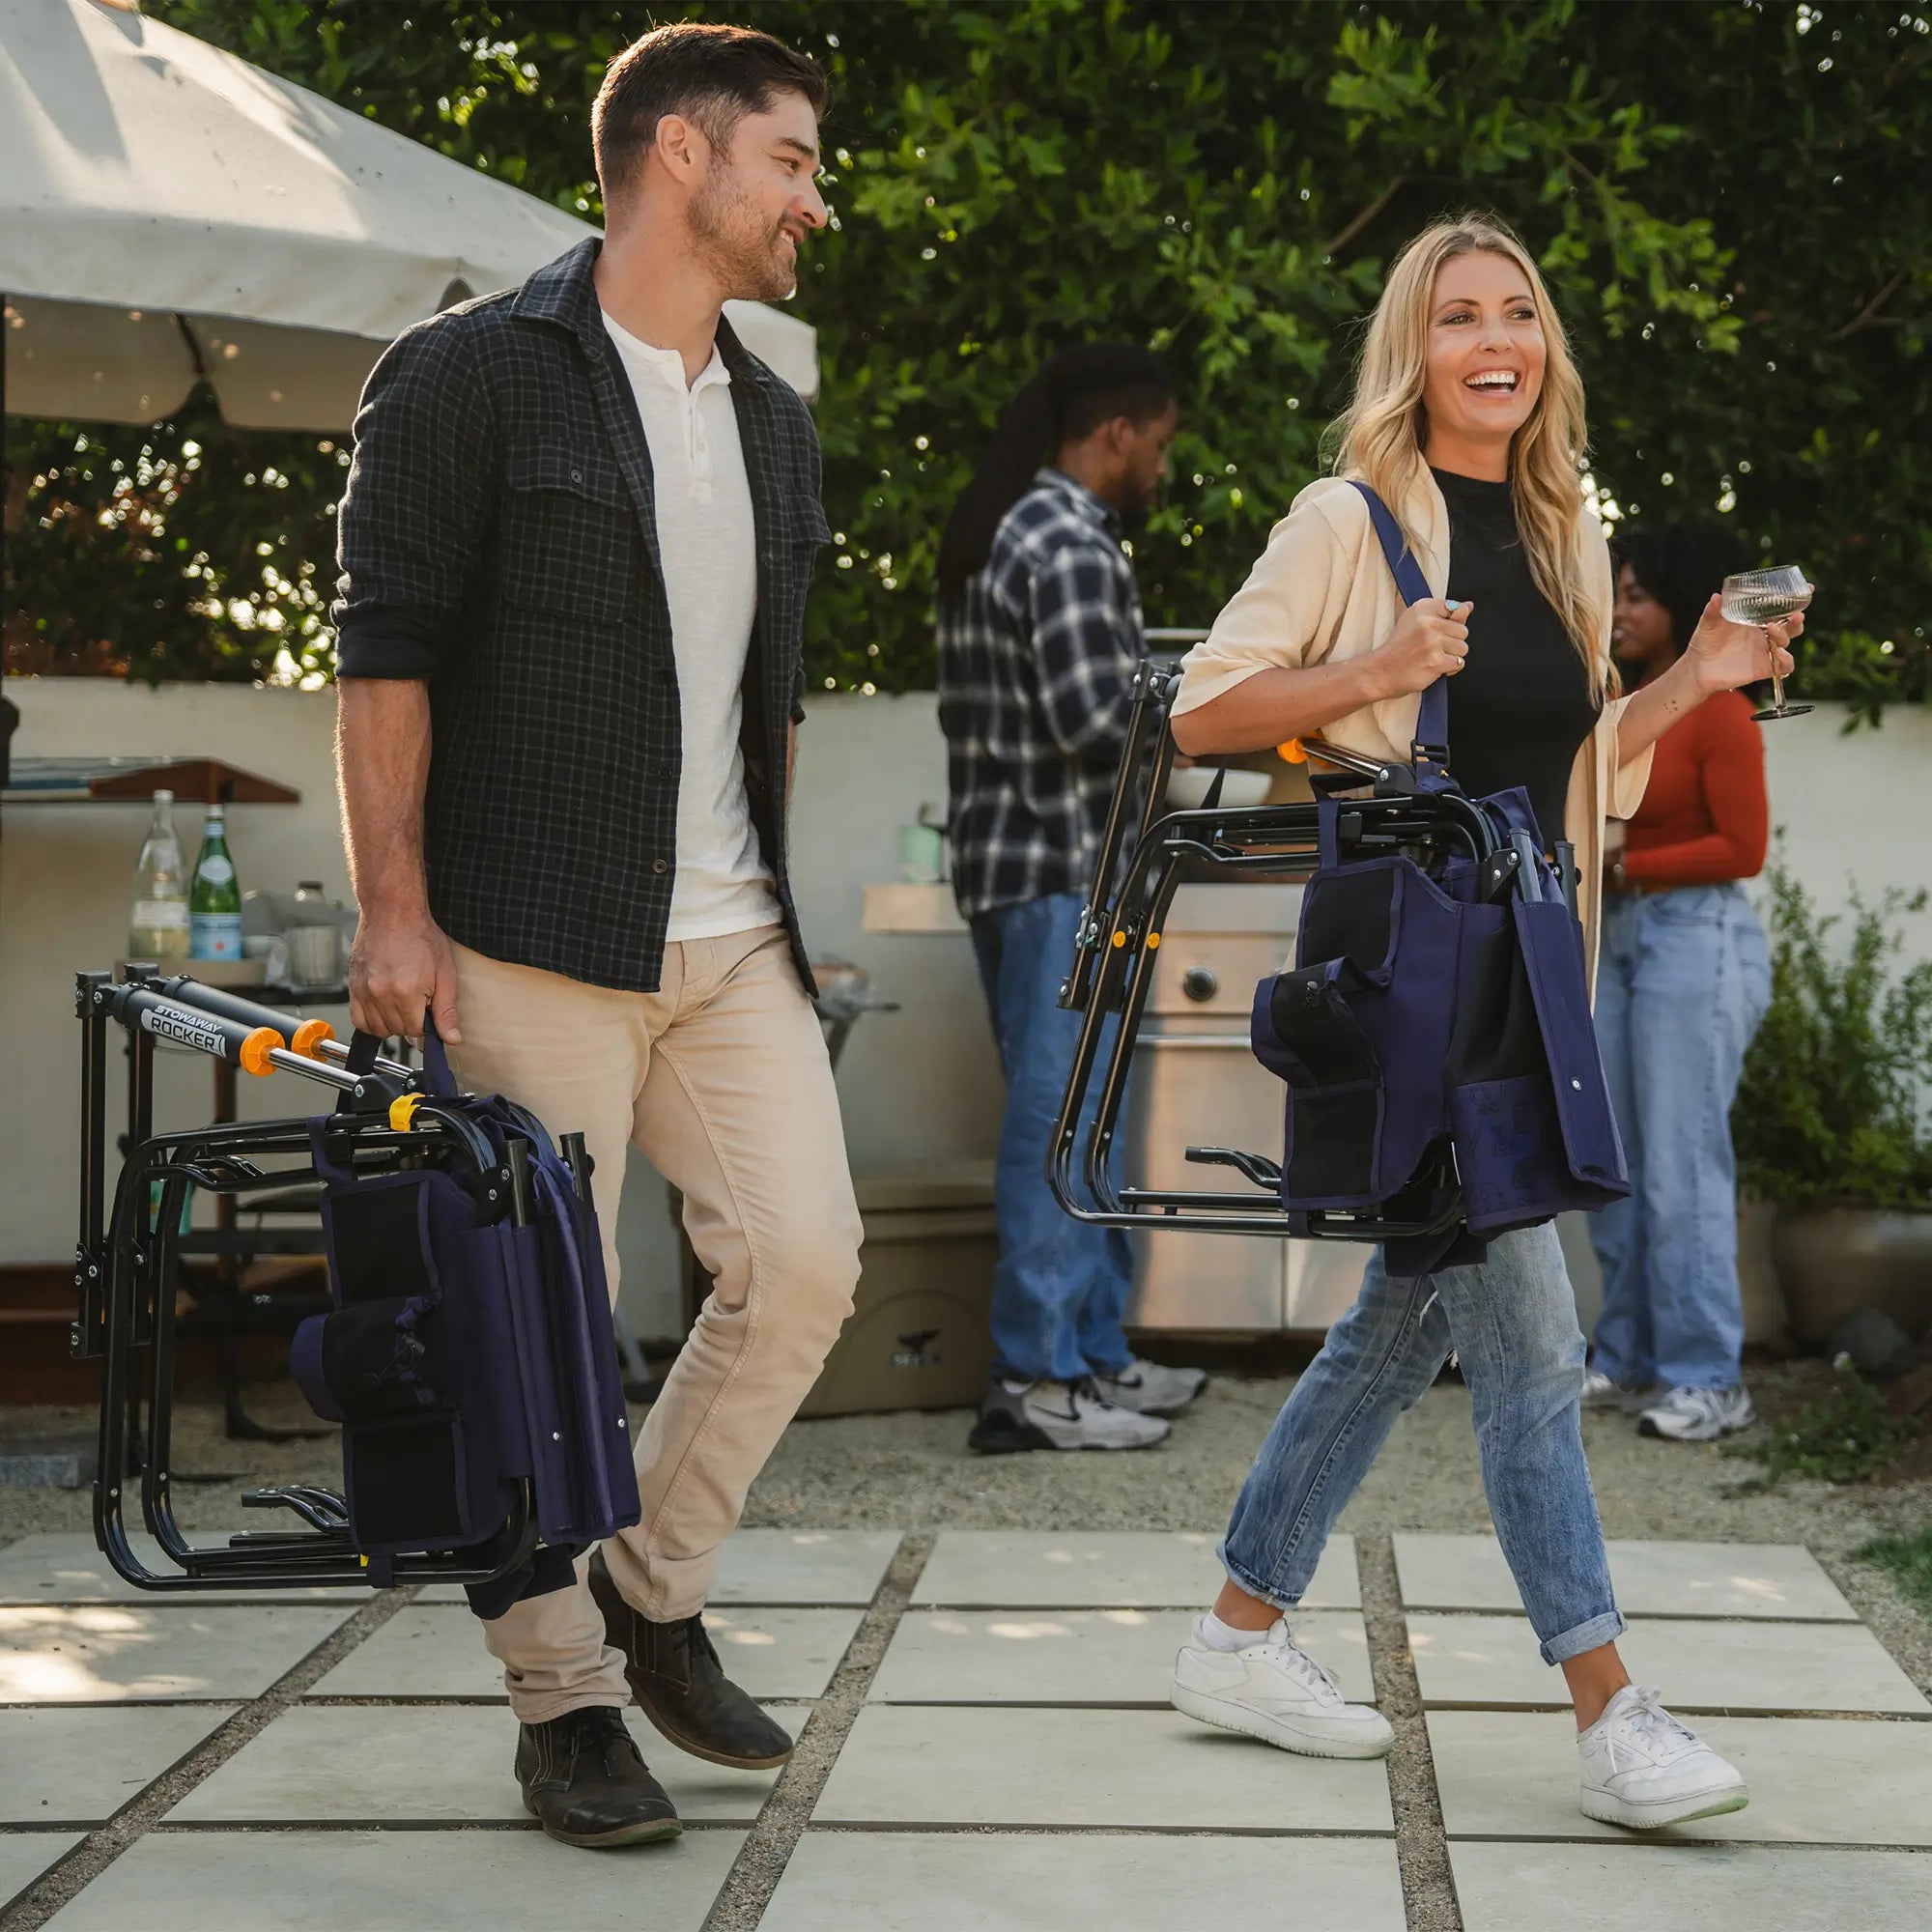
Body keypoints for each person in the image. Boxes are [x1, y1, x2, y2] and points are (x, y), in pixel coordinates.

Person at [1161, 215, 1800, 1829]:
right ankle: (1611, 1710)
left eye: (1519, 311)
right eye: (1460, 315)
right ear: (1417, 349)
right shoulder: (1353, 520)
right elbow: (1201, 709)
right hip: (1417, 987)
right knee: (1533, 1343)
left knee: (1402, 1325)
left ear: (1544, 349)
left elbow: (1579, 770)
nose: (1495, 337)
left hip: (1529, 981)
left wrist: (1700, 676)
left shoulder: (1566, 538)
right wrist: (1376, 664)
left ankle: (1238, 1632)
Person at [332, 22, 861, 1851]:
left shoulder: (775, 419)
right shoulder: (470, 373)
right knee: (528, 1333)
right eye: (792, 159)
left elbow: (769, 691)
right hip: (526, 932)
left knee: (802, 1266)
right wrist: (393, 913)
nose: (815, 199)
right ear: (681, 156)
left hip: (730, 938)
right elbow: (383, 656)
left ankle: (646, 1590)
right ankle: (561, 1705)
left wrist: (780, 903)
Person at [936, 346, 1205, 1454]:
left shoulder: (1022, 528)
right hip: (1059, 877)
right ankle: (1037, 1377)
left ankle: (1092, 1354)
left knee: (1083, 1117)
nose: (1161, 464)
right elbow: (1095, 715)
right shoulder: (1066, 541)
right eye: (1160, 442)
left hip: (1039, 873)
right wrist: (1218, 698)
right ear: (1114, 434)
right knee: (1063, 1124)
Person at [1586, 524, 1773, 1441]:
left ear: (1679, 603)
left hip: (1694, 940)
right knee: (1614, 1163)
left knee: (1681, 1164)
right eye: (1615, 594)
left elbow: (1742, 848)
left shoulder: (1722, 711)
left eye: (1636, 595)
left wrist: (1625, 863)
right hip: (1620, 938)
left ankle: (1708, 1377)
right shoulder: (1624, 706)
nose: (1619, 611)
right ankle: (1627, 1359)